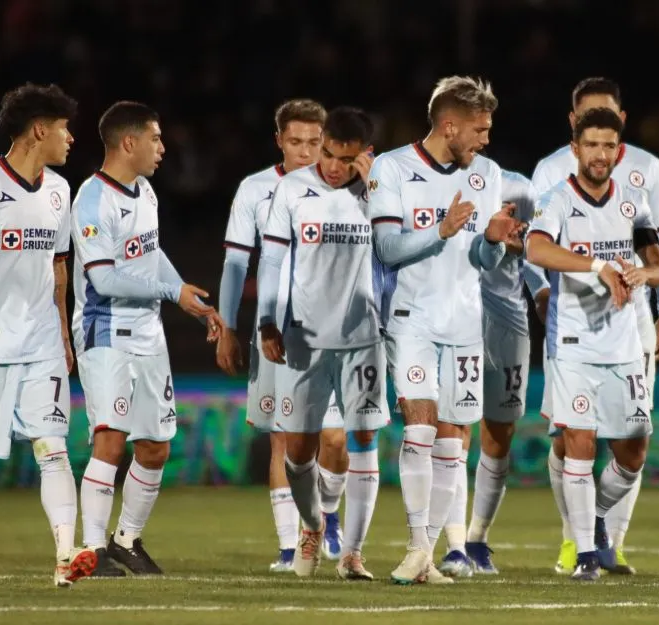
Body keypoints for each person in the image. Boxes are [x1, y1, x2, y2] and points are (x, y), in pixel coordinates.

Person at [367, 75, 522, 585]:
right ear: (450, 126)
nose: (486, 140)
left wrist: (493, 240)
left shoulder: (487, 174)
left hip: (465, 322)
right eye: (479, 129)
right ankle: (417, 548)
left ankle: (425, 556)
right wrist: (440, 230)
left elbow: (482, 260)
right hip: (412, 319)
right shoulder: (393, 168)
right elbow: (387, 248)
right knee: (420, 426)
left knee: (453, 442)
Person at [0, 82, 95, 589]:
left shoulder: (60, 190)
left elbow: (58, 267)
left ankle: (65, 556)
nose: (71, 139)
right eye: (65, 129)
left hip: (43, 342)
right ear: (39, 130)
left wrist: (64, 334)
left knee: (53, 448)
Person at [532, 77, 659, 575]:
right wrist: (597, 267)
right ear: (575, 148)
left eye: (609, 146)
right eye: (592, 145)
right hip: (573, 341)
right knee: (580, 441)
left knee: (634, 448)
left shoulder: (633, 201)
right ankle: (585, 554)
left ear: (619, 150)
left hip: (624, 342)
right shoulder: (556, 200)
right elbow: (537, 248)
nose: (600, 154)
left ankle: (592, 520)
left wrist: (642, 274)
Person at [73, 101, 221, 577]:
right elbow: (103, 280)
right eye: (155, 139)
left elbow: (152, 255)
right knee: (110, 441)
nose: (162, 148)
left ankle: (126, 541)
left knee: (156, 446)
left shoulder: (146, 191)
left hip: (148, 334)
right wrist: (171, 292)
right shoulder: (92, 200)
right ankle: (93, 550)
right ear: (129, 142)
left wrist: (187, 298)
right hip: (106, 331)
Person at [215, 100, 350, 571]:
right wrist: (228, 326)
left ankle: (326, 516)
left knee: (334, 439)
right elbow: (237, 263)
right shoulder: (255, 190)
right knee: (282, 438)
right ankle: (290, 547)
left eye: (315, 142)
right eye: (296, 142)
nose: (306, 151)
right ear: (279, 141)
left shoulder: (344, 187)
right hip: (275, 332)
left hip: (333, 331)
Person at [257, 106, 387, 580]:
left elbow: (396, 252)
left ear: (365, 155)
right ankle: (312, 525)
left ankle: (352, 553)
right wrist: (267, 321)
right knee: (297, 450)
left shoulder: (381, 192)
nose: (333, 166)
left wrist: (376, 192)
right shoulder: (292, 189)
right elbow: (272, 260)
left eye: (346, 159)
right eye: (328, 153)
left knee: (363, 439)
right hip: (304, 339)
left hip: (363, 338)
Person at [438, 169, 549, 577]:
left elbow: (534, 246)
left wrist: (540, 288)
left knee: (499, 433)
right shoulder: (433, 181)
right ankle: (453, 545)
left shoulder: (519, 188)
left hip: (508, 322)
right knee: (454, 428)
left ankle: (477, 538)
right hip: (456, 316)